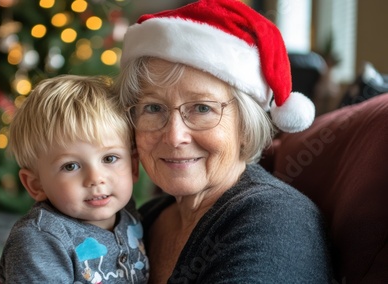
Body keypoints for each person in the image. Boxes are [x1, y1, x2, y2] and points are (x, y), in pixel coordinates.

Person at [114, 0, 332, 283]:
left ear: (245, 123)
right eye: (153, 108)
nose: (174, 136)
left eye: (202, 108)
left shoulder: (275, 221)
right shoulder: (144, 219)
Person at [0, 75, 149, 283]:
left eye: (109, 158)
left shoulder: (129, 214)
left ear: (133, 166)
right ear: (36, 184)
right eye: (71, 166)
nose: (96, 178)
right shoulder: (41, 240)